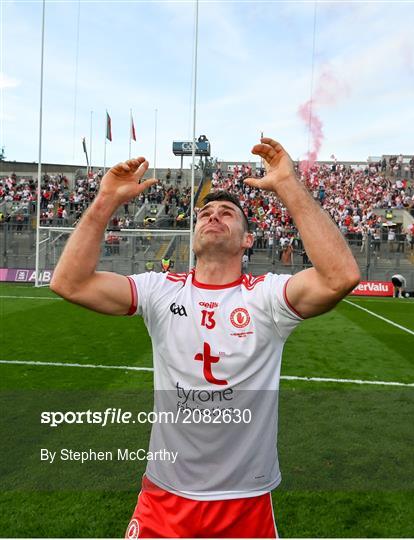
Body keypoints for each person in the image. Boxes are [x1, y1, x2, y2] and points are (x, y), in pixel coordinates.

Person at [50, 138, 360, 538]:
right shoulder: (160, 290)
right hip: (164, 497)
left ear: (248, 240)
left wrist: (287, 185)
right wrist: (105, 200)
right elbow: (69, 283)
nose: (213, 217)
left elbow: (340, 277)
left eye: (227, 213)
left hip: (245, 502)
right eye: (205, 213)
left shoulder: (265, 297)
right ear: (193, 233)